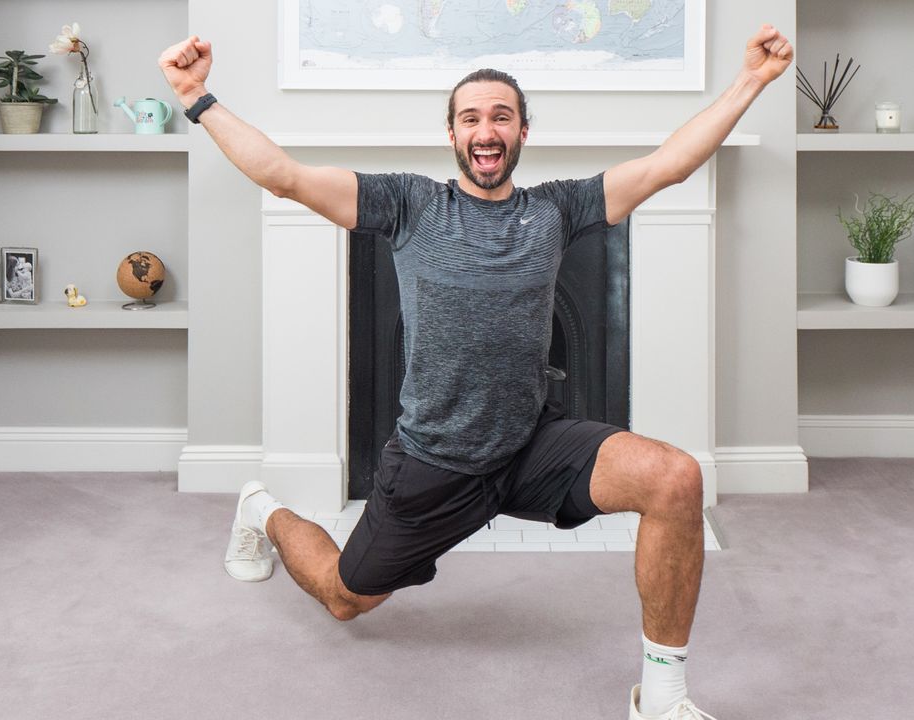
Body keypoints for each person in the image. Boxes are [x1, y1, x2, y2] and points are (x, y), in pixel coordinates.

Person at [160, 25, 791, 720]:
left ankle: (663, 697)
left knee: (676, 476)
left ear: (523, 131)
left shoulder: (558, 207)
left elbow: (669, 164)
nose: (485, 129)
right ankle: (262, 509)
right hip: (435, 461)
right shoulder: (409, 204)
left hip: (529, 444)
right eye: (470, 117)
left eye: (500, 116)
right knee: (345, 597)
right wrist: (198, 97)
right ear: (452, 135)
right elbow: (284, 176)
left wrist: (752, 81)